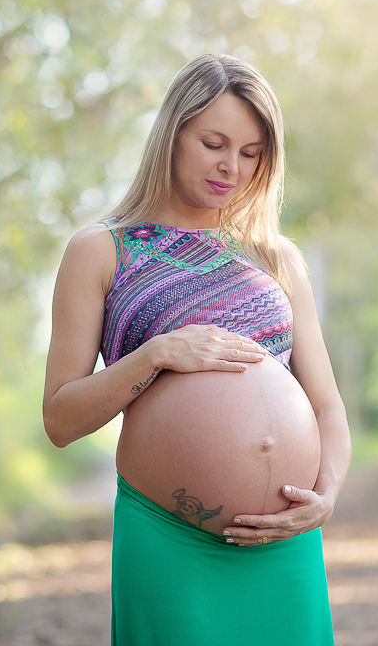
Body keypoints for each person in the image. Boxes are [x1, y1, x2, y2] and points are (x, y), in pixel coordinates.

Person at [43, 53, 351, 644]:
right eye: (214, 143)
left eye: (251, 153)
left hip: (284, 543)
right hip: (168, 539)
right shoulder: (102, 251)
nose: (231, 168)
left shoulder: (276, 259)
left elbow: (328, 408)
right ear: (172, 135)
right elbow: (60, 419)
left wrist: (327, 495)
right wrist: (155, 354)